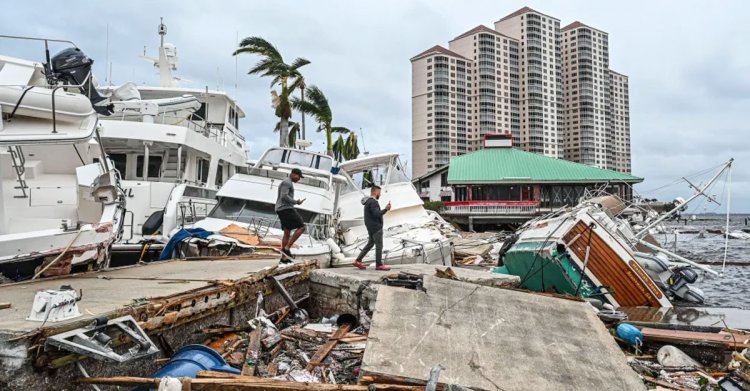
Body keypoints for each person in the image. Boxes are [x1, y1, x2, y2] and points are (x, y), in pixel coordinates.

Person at [353, 185, 392, 271]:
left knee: (370, 244)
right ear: (375, 192)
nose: (380, 195)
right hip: (376, 228)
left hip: (370, 227)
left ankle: (358, 260)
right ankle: (379, 265)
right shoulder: (373, 202)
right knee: (379, 246)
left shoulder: (368, 202)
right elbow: (376, 214)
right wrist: (386, 209)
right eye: (379, 192)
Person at [275, 168, 306, 262]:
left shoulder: (287, 182)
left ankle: (284, 258)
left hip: (281, 209)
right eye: (298, 177)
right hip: (286, 208)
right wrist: (295, 202)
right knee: (302, 227)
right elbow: (284, 196)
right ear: (293, 174)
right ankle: (287, 248)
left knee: (287, 232)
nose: (299, 179)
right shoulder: (287, 182)